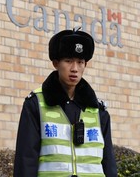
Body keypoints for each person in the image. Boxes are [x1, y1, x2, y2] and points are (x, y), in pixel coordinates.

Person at [14, 29, 117, 177]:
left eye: (80, 62)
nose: (74, 68)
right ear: (56, 63)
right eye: (68, 61)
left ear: (85, 65)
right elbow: (26, 160)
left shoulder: (98, 109)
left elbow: (108, 162)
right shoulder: (36, 103)